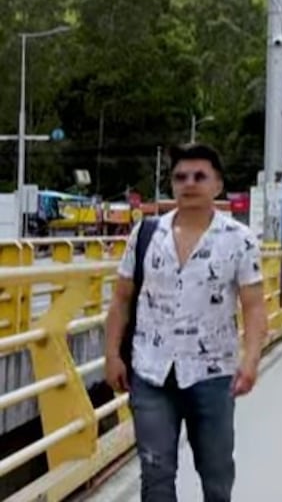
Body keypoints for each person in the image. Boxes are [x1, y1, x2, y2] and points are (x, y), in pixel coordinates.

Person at [103, 143, 267, 502]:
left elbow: (254, 306)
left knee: (216, 473)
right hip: (151, 371)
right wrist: (112, 354)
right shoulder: (145, 235)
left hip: (212, 374)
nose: (189, 184)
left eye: (199, 176)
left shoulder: (238, 240)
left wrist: (251, 360)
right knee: (155, 473)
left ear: (217, 185)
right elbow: (121, 298)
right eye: (180, 177)